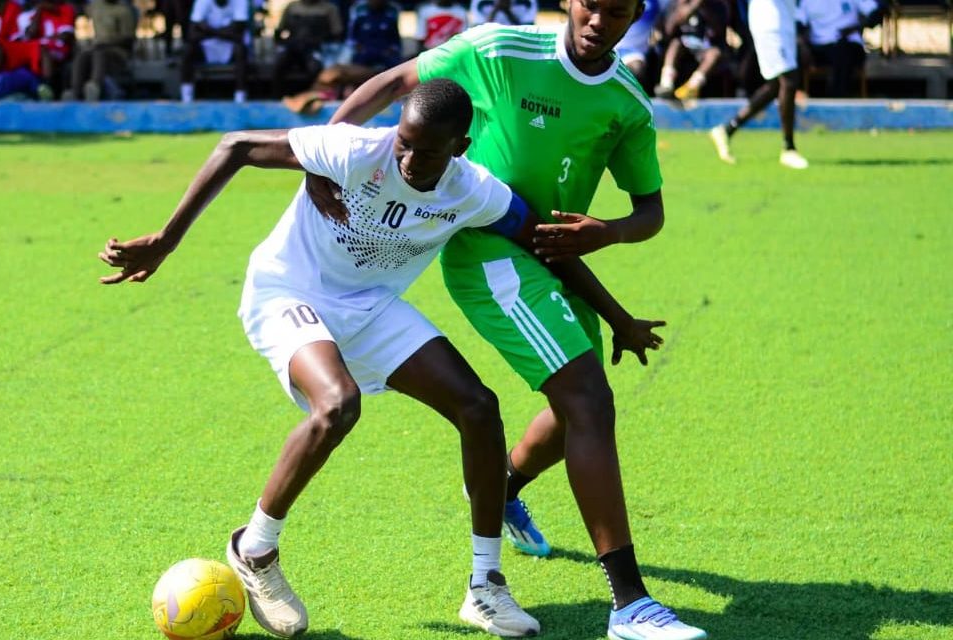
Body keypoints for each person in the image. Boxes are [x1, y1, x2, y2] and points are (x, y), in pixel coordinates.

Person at [99, 79, 665, 639]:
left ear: (461, 147)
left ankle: (486, 585)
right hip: (287, 290)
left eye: (429, 152)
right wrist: (167, 240)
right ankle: (256, 547)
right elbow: (236, 146)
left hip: (369, 306)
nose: (410, 161)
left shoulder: (474, 191)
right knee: (337, 404)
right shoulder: (355, 149)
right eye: (404, 143)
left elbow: (546, 242)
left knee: (478, 407)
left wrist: (618, 318)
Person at [307, 3, 711, 639]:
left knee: (572, 410)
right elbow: (395, 82)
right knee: (588, 399)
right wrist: (324, 157)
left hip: (555, 257)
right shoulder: (500, 49)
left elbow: (650, 212)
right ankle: (630, 604)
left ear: (638, 14)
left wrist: (607, 233)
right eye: (591, 4)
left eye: (618, 11)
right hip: (488, 250)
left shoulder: (628, 101)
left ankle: (504, 488)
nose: (599, 20)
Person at [708, 0, 808, 168]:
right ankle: (789, 148)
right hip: (771, 21)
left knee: (775, 86)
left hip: (786, 19)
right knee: (789, 80)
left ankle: (727, 130)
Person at [796, 0, 880, 97]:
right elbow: (798, 24)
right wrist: (803, 46)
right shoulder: (805, 1)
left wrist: (857, 28)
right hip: (818, 47)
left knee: (843, 51)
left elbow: (876, 13)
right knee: (795, 51)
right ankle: (798, 95)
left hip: (847, 43)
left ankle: (838, 97)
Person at [653, 0, 728, 101]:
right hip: (684, 46)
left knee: (714, 54)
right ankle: (666, 84)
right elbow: (668, 31)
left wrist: (702, 6)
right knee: (675, 44)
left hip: (705, 48)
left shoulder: (717, 5)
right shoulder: (675, 4)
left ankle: (692, 87)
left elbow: (720, 31)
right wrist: (688, 8)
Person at [3, 0, 76, 99]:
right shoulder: (29, 15)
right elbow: (31, 34)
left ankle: (48, 87)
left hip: (58, 48)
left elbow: (65, 36)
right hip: (35, 48)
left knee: (42, 49)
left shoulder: (65, 10)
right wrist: (39, 9)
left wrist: (45, 38)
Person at [179, 0, 249, 103]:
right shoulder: (202, 2)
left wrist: (206, 30)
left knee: (241, 49)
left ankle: (240, 97)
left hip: (229, 47)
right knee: (187, 49)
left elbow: (240, 33)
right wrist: (227, 32)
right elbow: (192, 34)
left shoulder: (240, 1)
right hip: (207, 47)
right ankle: (186, 97)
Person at [270, 0, 341, 98]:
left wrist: (321, 43)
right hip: (293, 46)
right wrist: (281, 44)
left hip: (315, 47)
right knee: (279, 64)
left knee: (315, 68)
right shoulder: (292, 7)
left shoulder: (329, 9)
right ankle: (277, 97)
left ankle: (314, 96)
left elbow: (337, 32)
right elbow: (280, 30)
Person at [67, 0, 136, 101]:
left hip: (117, 51)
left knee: (99, 54)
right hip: (97, 48)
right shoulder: (95, 5)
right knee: (82, 55)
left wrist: (107, 43)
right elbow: (79, 9)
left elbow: (128, 39)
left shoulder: (124, 11)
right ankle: (75, 91)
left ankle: (95, 87)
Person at [343, 0, 400, 69]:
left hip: (385, 52)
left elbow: (396, 41)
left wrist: (390, 50)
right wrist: (359, 48)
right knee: (355, 65)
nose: (375, 2)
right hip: (365, 51)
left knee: (397, 65)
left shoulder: (390, 18)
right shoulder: (361, 18)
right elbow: (351, 39)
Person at [469, 0, 536, 28]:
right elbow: (478, 29)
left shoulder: (528, 1)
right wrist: (496, 8)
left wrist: (507, 11)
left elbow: (529, 29)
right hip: (490, 41)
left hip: (518, 41)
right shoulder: (479, 1)